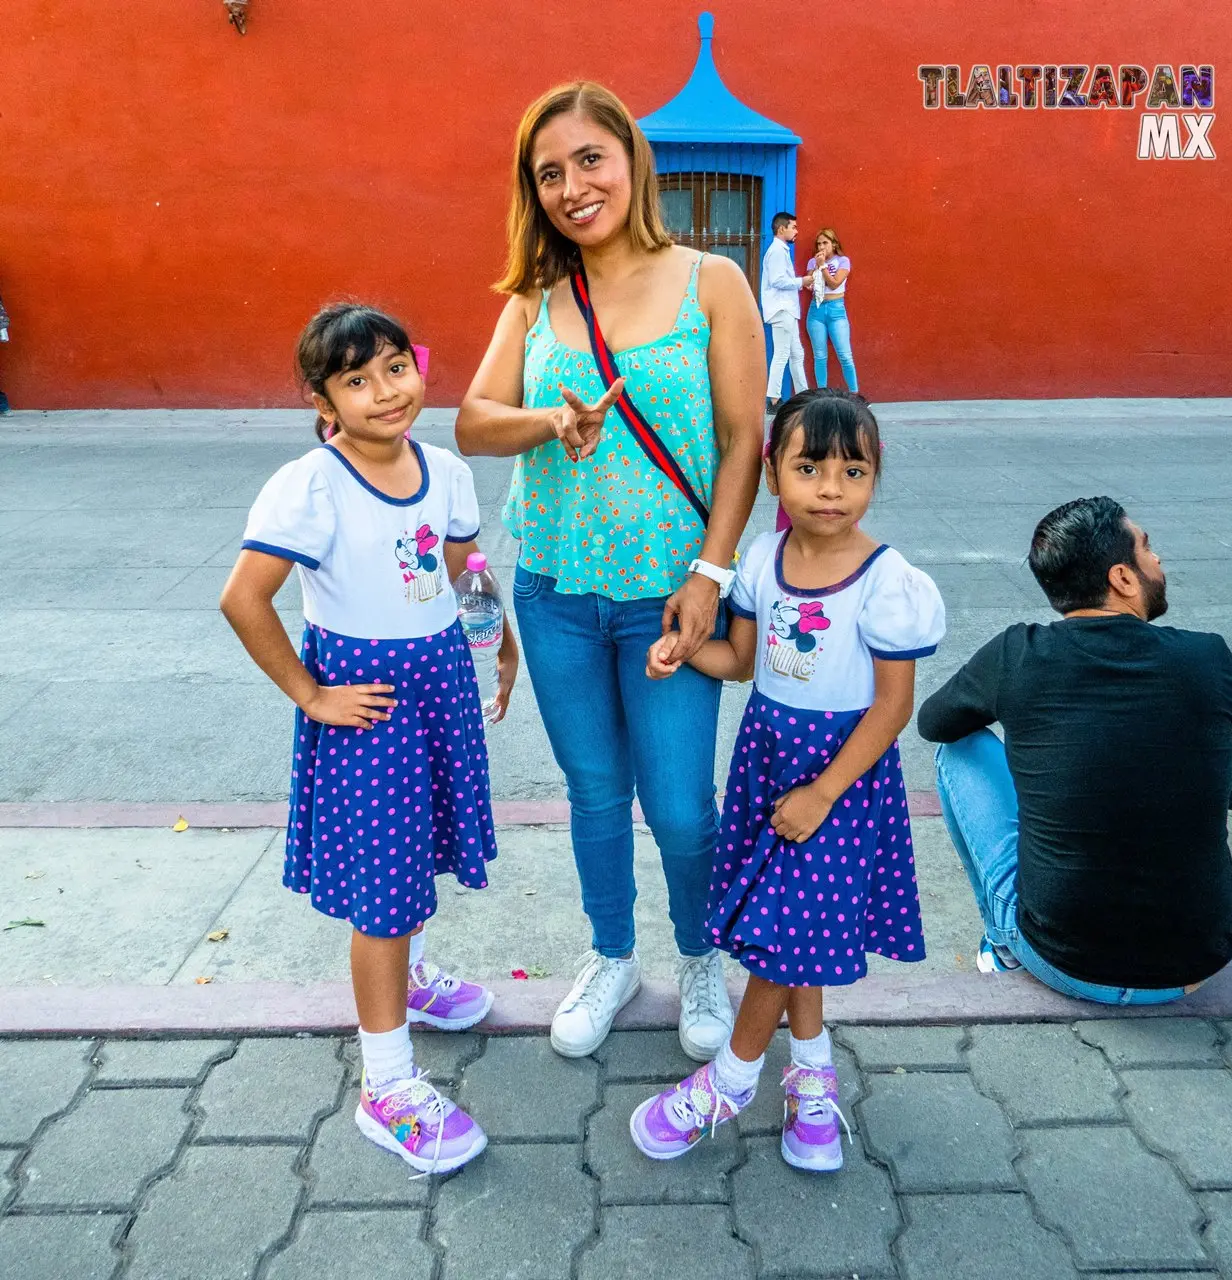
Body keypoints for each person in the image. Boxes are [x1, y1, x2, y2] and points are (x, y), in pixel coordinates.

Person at [455, 83, 766, 1062]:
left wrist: (711, 573)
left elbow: (742, 437)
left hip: (668, 601)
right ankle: (611, 950)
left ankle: (700, 954)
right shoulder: (535, 299)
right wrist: (551, 419)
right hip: (554, 592)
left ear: (631, 161)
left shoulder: (711, 279)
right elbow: (471, 420)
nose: (569, 186)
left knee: (679, 805)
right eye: (547, 172)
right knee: (593, 791)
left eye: (588, 159)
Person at [221, 303, 519, 1174]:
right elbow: (245, 598)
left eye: (396, 367)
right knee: (383, 891)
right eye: (357, 380)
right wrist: (311, 693)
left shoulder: (448, 470)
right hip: (370, 702)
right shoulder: (308, 486)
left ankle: (414, 980)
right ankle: (385, 1086)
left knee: (417, 851)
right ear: (324, 400)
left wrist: (498, 645)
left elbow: (465, 567)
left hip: (440, 683)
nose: (386, 391)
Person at [632, 389, 945, 1172]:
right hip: (770, 760)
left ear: (875, 478)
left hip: (840, 779)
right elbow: (741, 661)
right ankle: (810, 1074)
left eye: (853, 470)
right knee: (793, 927)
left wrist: (825, 792)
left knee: (780, 937)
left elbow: (893, 706)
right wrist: (679, 652)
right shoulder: (761, 563)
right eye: (809, 468)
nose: (831, 488)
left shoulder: (887, 580)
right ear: (773, 474)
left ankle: (731, 1081)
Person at [918, 495, 1232, 1004]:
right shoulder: (1208, 656)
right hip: (1192, 967)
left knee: (959, 751)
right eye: (1147, 548)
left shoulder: (1019, 653)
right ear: (1122, 578)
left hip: (1062, 960)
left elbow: (935, 722)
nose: (1159, 560)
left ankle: (1002, 942)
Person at [761, 212, 812, 414]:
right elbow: (777, 280)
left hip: (786, 309)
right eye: (793, 227)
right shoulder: (777, 251)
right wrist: (802, 281)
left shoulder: (779, 250)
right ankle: (773, 400)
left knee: (795, 353)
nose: (796, 231)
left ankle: (803, 395)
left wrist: (800, 282)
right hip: (782, 309)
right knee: (783, 354)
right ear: (782, 229)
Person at [804, 228, 858, 391]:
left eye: (825, 243)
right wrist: (816, 268)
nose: (821, 247)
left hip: (836, 310)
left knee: (845, 355)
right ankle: (822, 393)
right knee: (820, 356)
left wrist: (823, 267)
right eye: (819, 243)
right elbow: (809, 285)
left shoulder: (843, 261)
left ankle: (855, 393)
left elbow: (834, 283)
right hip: (816, 310)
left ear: (834, 244)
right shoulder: (812, 262)